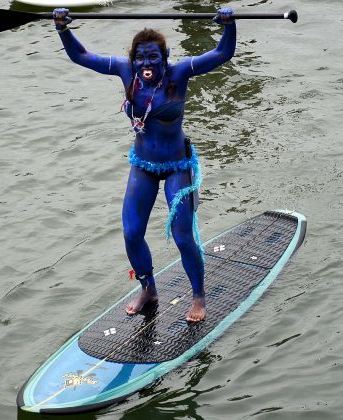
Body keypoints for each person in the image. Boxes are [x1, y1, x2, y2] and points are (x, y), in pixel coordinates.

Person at [52, 7, 236, 322]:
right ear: (133, 59)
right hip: (144, 166)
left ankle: (198, 297)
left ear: (164, 59)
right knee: (131, 233)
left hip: (178, 166)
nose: (146, 63)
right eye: (140, 58)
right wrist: (62, 29)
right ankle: (148, 288)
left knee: (182, 236)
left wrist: (228, 25)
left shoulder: (180, 74)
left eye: (153, 57)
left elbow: (223, 52)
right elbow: (81, 55)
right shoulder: (126, 72)